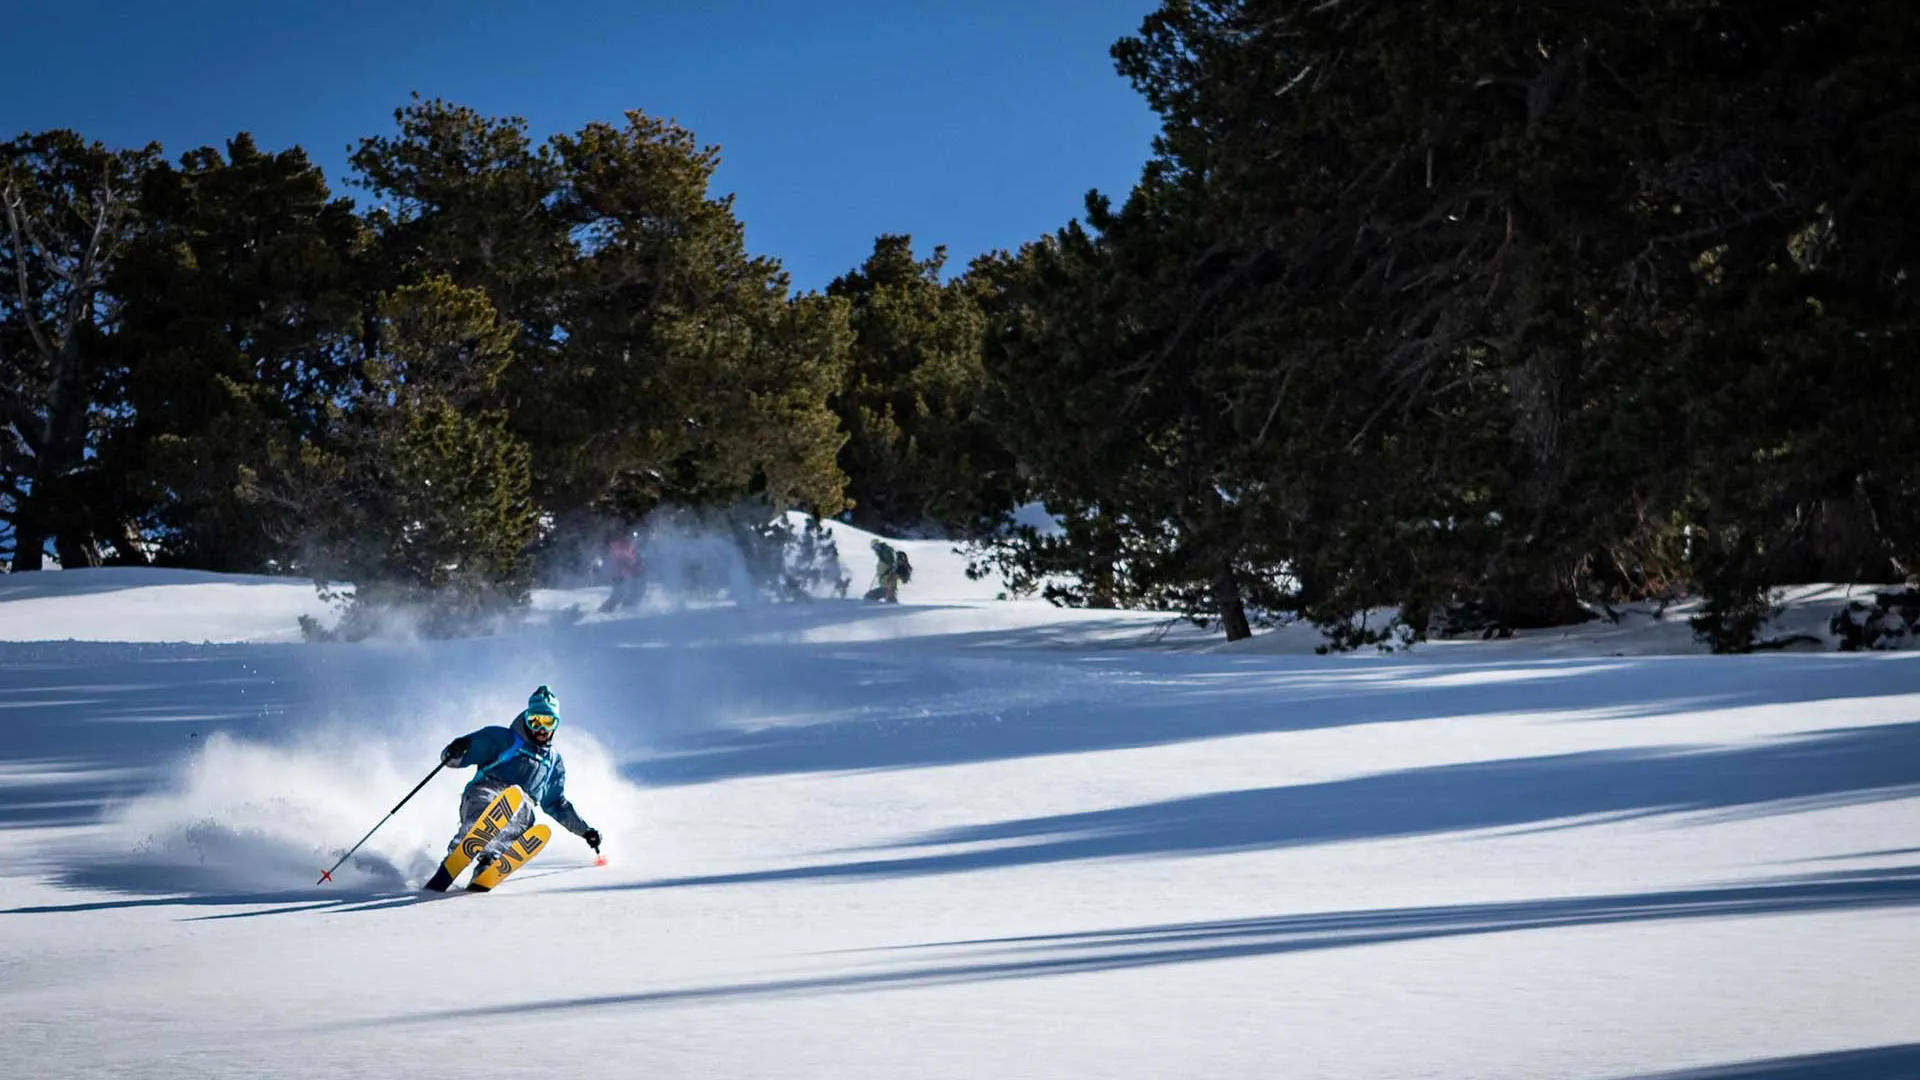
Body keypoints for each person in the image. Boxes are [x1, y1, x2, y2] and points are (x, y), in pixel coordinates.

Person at [439, 685, 600, 872]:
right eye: (535, 721)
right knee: (487, 804)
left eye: (548, 722)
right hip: (486, 790)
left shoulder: (552, 762)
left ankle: (489, 862)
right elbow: (452, 760)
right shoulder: (501, 738)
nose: (541, 729)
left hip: (521, 804)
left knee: (522, 812)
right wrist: (455, 750)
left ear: (556, 724)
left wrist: (585, 831)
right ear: (526, 718)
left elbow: (556, 804)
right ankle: (462, 848)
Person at [599, 532, 643, 613]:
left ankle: (627, 606)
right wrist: (633, 569)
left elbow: (632, 560)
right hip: (618, 575)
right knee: (620, 593)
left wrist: (636, 567)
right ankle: (606, 609)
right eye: (632, 538)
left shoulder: (628, 548)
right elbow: (624, 561)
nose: (634, 541)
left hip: (623, 574)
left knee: (631, 591)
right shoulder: (621, 547)